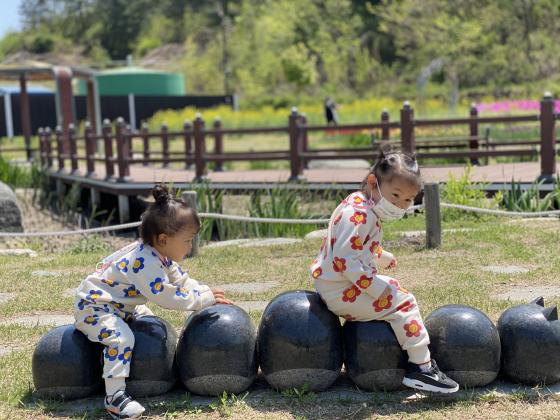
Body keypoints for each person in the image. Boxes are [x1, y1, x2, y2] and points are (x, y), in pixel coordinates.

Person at [73, 184, 233, 419]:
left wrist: (205, 292)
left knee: (148, 322)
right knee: (121, 338)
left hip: (121, 305)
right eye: (188, 241)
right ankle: (115, 397)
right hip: (95, 307)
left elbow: (181, 281)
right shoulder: (145, 262)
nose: (190, 247)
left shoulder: (160, 255)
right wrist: (200, 301)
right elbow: (165, 296)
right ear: (164, 238)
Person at [309, 151, 459, 394]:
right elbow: (347, 261)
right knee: (404, 302)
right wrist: (375, 288)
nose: (400, 205)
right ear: (372, 183)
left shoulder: (358, 203)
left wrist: (380, 255)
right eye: (395, 195)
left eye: (408, 200)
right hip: (341, 290)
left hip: (334, 283)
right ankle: (422, 368)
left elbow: (357, 246)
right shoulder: (361, 216)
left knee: (395, 289)